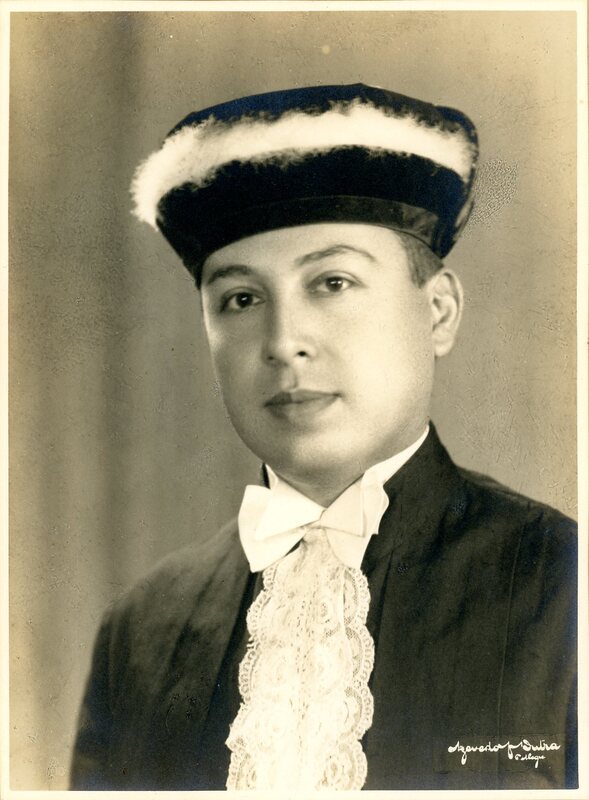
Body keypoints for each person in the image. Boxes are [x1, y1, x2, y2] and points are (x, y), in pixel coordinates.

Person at [70, 84, 577, 791]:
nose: (283, 342)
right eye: (241, 299)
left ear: (437, 312)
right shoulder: (138, 631)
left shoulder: (562, 584)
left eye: (332, 282)